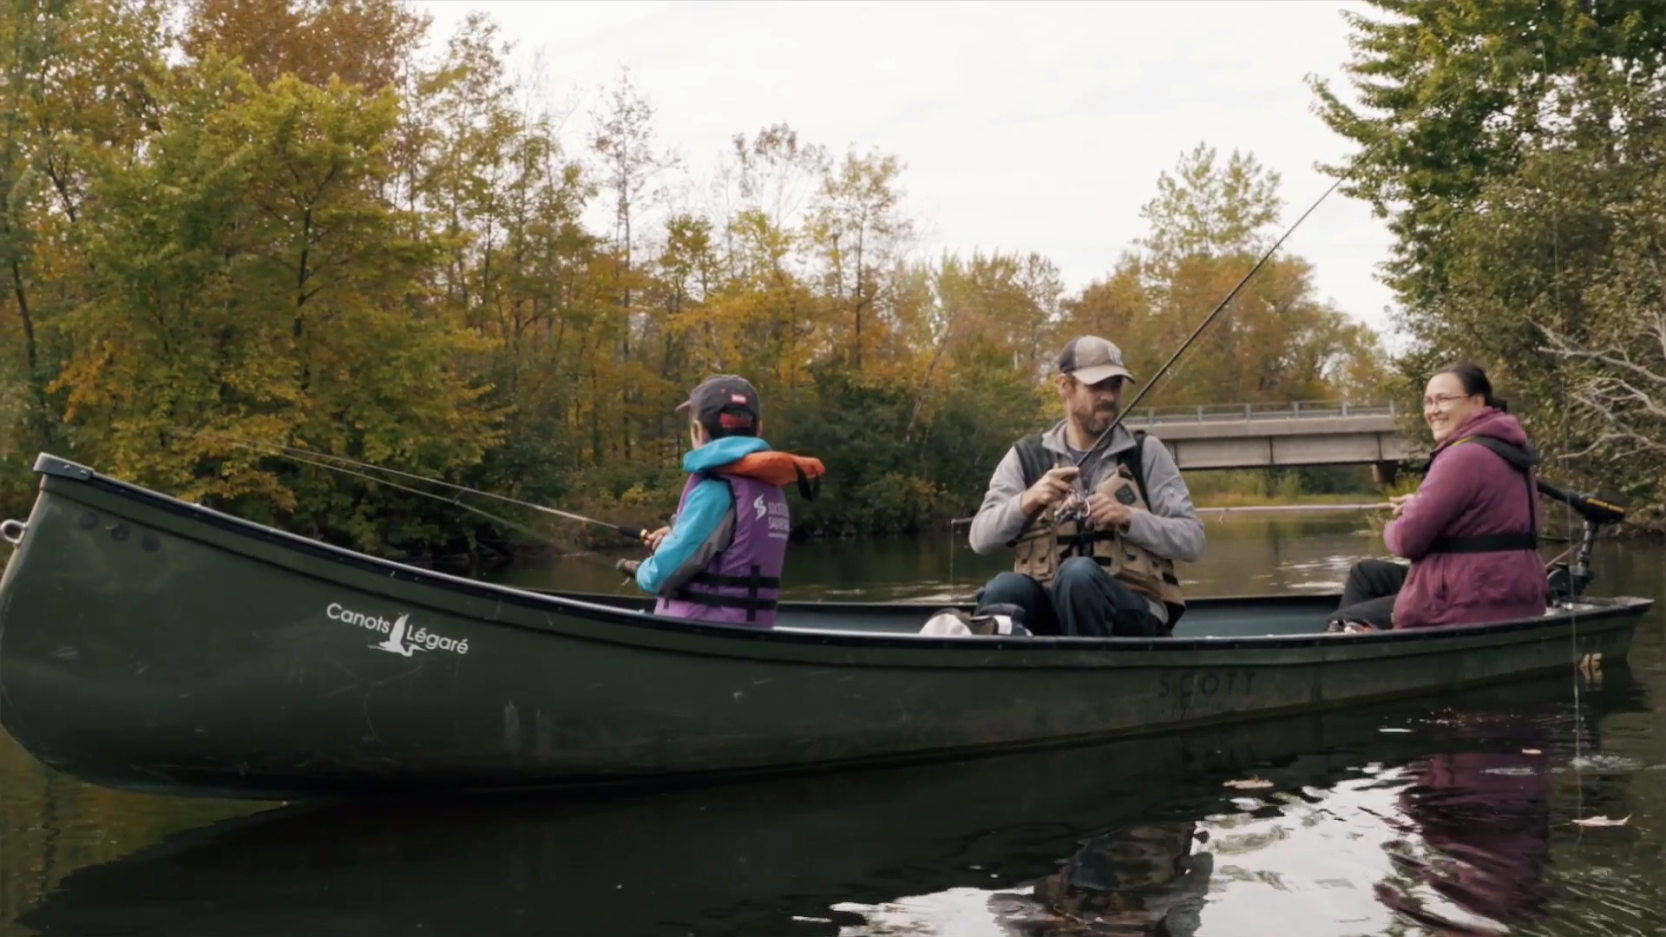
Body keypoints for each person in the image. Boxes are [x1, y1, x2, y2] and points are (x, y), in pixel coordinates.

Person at [967, 335, 1206, 638]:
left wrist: (1129, 518)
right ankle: (1003, 678)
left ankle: (1092, 679)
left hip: (1131, 615)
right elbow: (980, 538)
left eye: (1115, 386)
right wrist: (1029, 500)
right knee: (1005, 587)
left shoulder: (1147, 453)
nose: (1108, 395)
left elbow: (1194, 541)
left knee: (1078, 576)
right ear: (1064, 386)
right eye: (1096, 386)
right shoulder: (1025, 457)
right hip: (1052, 611)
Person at [1329, 362, 1549, 632]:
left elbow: (1406, 542)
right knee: (1366, 575)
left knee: (1340, 623)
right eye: (1428, 402)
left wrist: (1396, 523)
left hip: (1474, 597)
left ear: (1477, 401)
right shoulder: (1505, 447)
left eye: (1443, 400)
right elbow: (1482, 517)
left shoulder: (1462, 456)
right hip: (1508, 587)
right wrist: (1419, 503)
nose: (1433, 411)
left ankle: (1353, 647)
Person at [630, 375, 824, 628]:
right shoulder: (768, 487)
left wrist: (640, 570)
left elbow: (661, 575)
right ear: (759, 429)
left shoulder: (715, 489)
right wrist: (677, 532)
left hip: (698, 635)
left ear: (698, 431)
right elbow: (728, 542)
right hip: (751, 629)